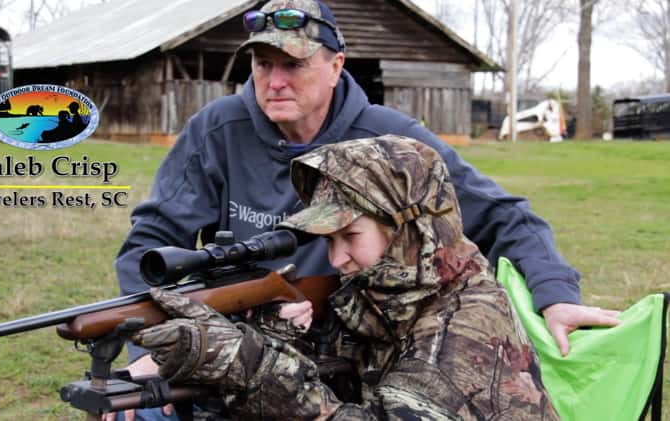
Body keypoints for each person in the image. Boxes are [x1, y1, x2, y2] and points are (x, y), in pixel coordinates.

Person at [111, 0, 619, 419]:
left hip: (361, 343)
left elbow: (503, 216)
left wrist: (555, 293)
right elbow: (151, 243)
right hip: (276, 335)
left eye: (293, 64)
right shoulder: (217, 128)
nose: (275, 81)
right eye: (263, 65)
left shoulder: (395, 144)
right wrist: (151, 350)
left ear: (337, 66)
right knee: (140, 404)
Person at [132, 135, 560, 419]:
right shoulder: (387, 292)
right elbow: (339, 374)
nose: (337, 259)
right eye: (328, 240)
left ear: (410, 229)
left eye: (350, 236)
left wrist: (253, 365)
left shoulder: (470, 324)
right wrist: (274, 339)